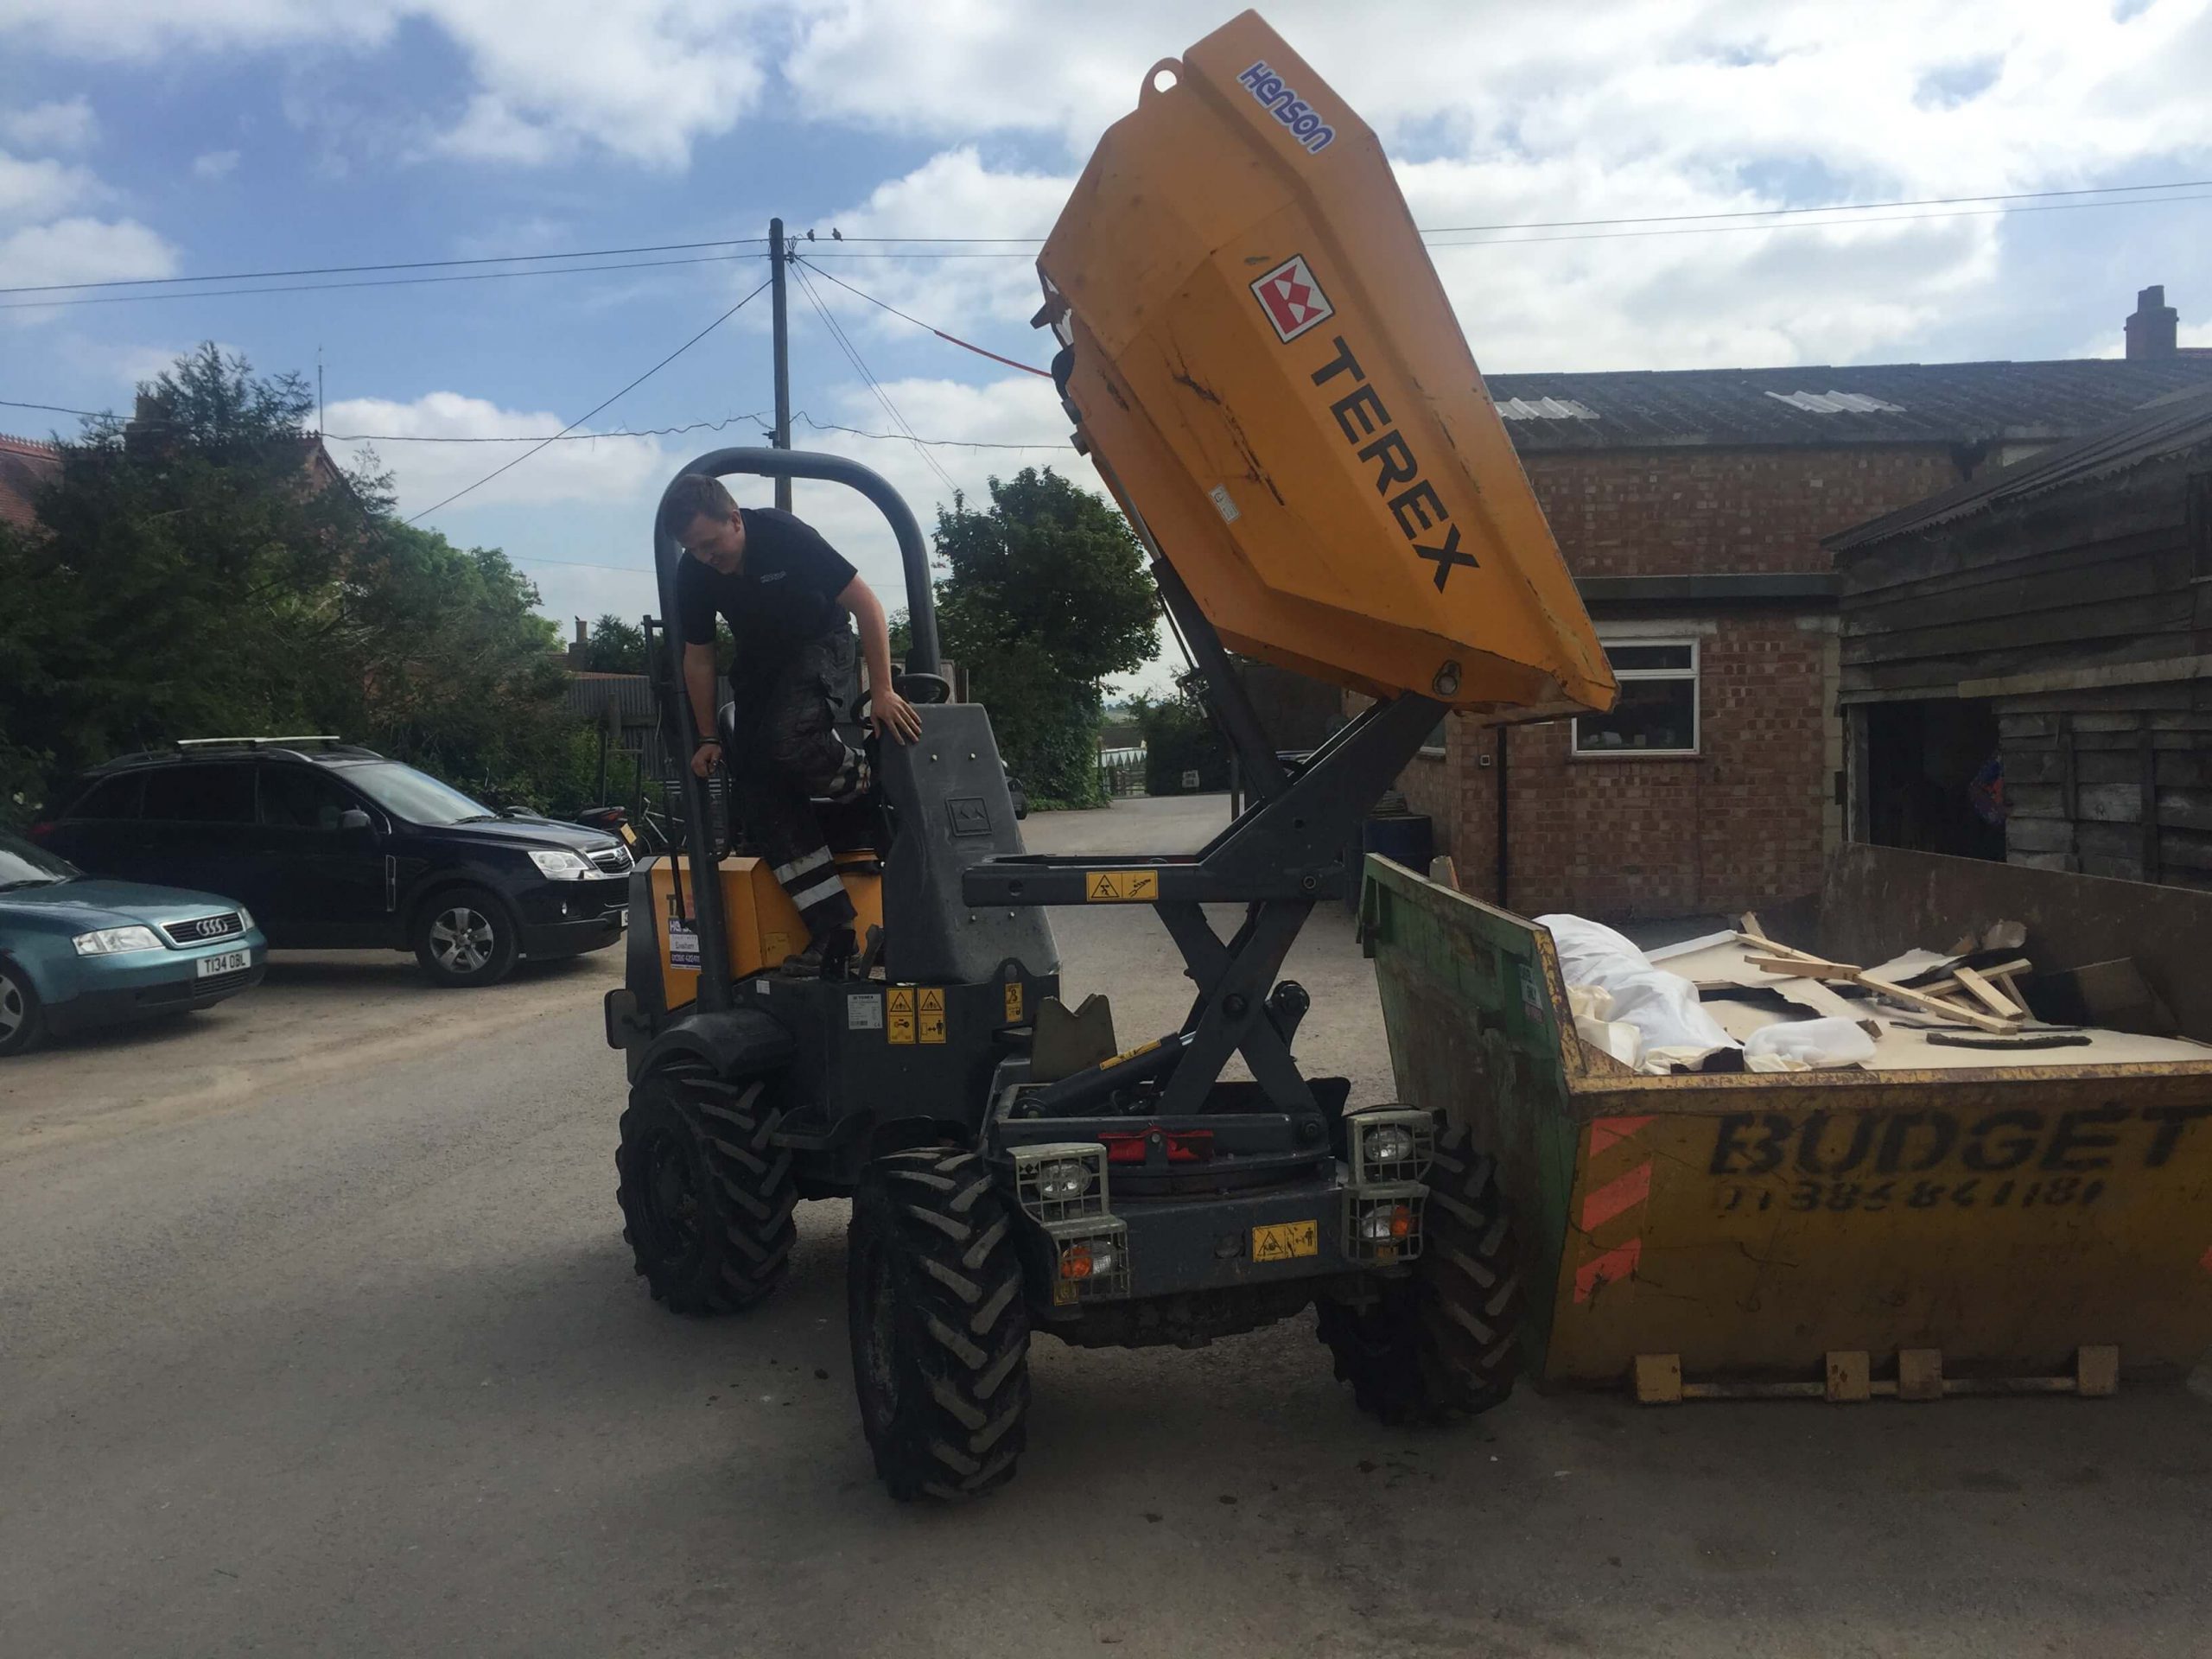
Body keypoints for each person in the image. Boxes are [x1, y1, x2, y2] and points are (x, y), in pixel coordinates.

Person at [660, 474, 922, 976]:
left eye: (711, 544)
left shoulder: (784, 534)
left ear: (735, 520)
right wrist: (708, 737)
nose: (705, 557)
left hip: (822, 644)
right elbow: (698, 658)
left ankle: (869, 779)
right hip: (762, 665)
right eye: (693, 549)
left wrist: (883, 690)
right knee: (760, 788)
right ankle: (832, 931)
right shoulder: (694, 572)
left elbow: (866, 603)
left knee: (785, 739)